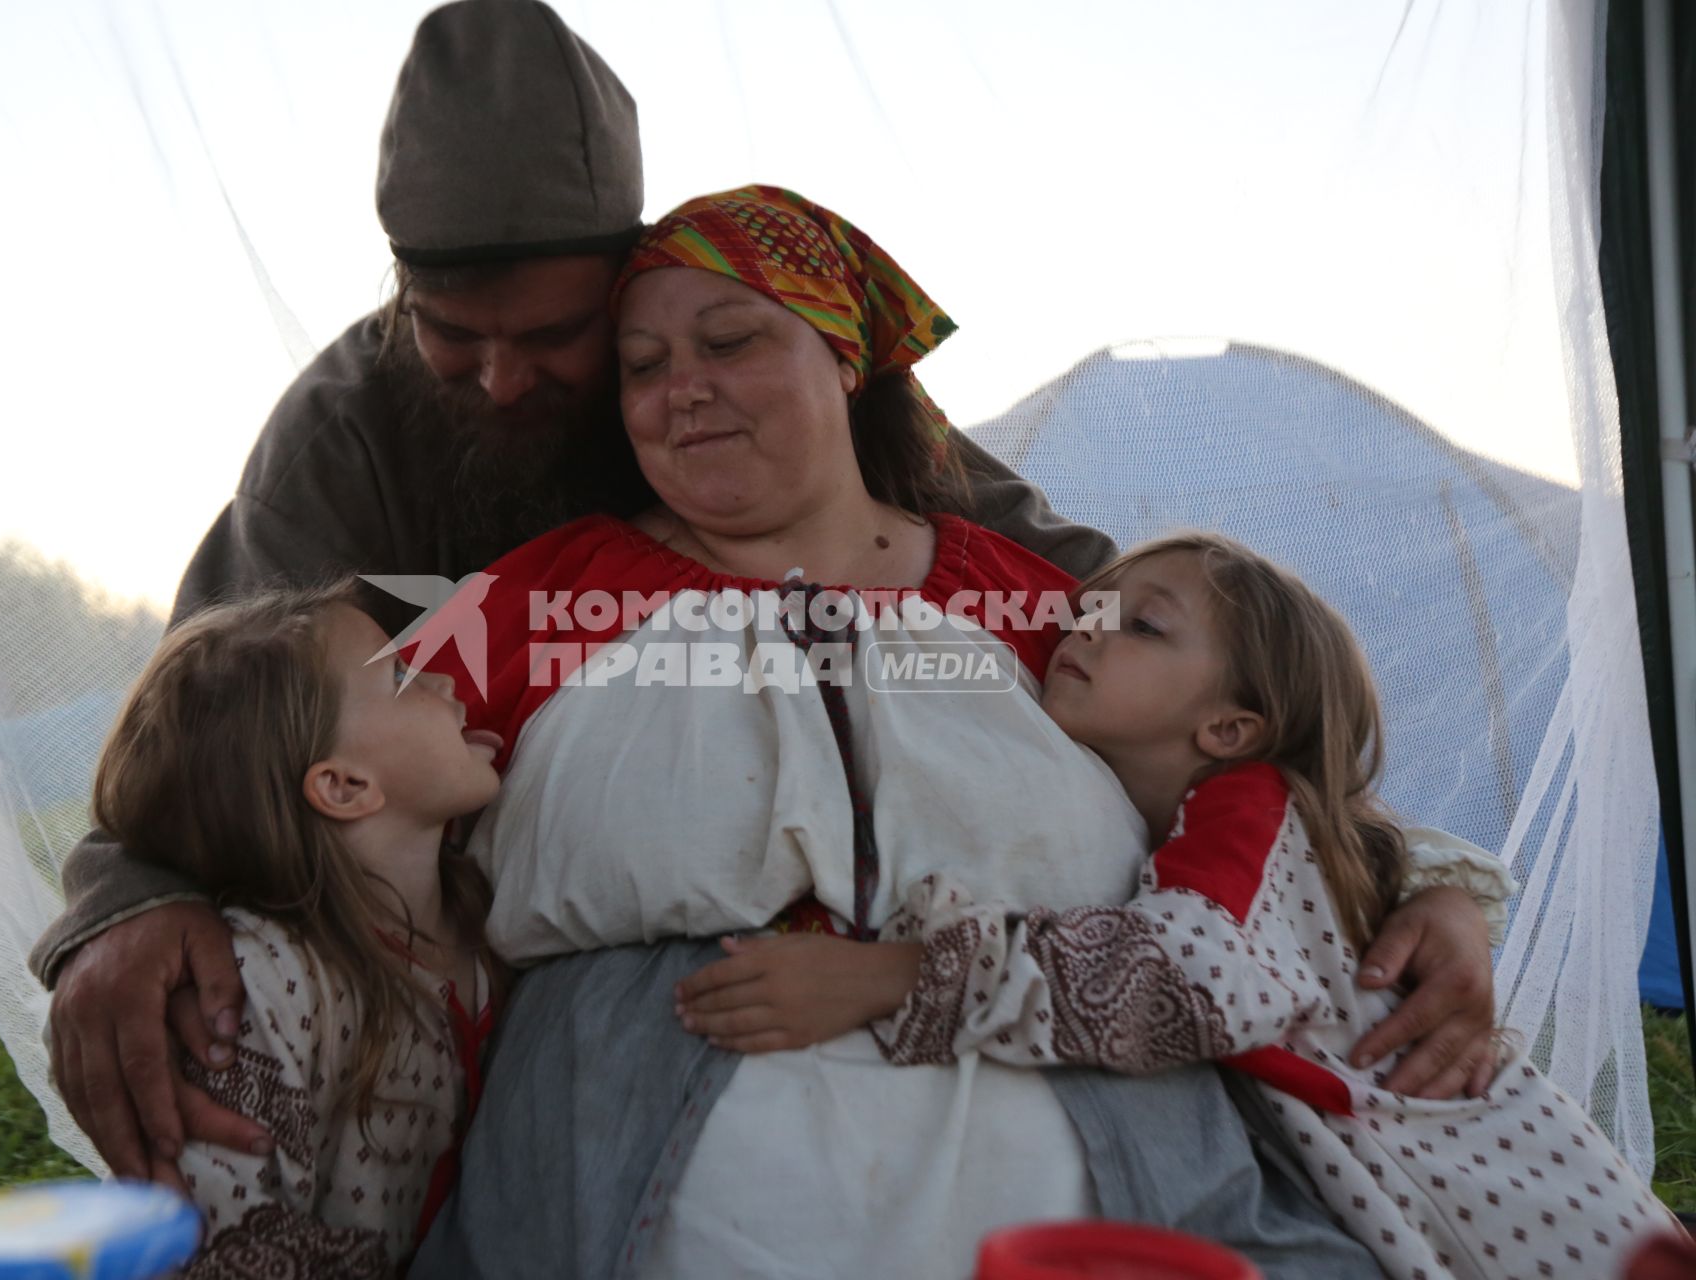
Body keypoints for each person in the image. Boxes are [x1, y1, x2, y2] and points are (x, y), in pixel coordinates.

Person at [28, 0, 1110, 1190]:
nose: (500, 379)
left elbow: (1115, 601)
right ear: (402, 296)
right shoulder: (344, 430)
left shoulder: (734, 360)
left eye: (555, 337)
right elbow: (219, 708)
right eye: (450, 333)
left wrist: (1319, 801)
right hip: (519, 954)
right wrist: (128, 904)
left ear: (624, 279)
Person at [403, 185, 1511, 1280]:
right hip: (628, 1133)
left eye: (730, 341)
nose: (682, 390)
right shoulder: (544, 598)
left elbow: (1245, 783)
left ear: (844, 357)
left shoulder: (1039, 605)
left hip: (1097, 1123)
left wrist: (1434, 889)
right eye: (643, 367)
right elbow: (324, 769)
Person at [681, 531, 1681, 1277]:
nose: (1086, 623)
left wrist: (897, 975)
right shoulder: (1195, 818)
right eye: (1094, 604)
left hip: (1530, 1216)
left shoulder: (1246, 808)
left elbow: (1182, 975)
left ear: (1230, 725)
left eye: (1142, 624)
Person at [87, 581, 504, 1277]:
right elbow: (211, 1229)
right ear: (343, 786)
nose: (440, 674)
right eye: (402, 676)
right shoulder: (263, 982)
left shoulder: (479, 923)